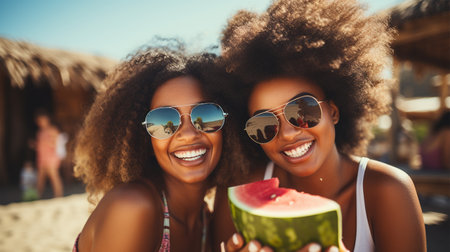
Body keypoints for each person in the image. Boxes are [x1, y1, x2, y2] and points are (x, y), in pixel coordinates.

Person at [212, 0, 427, 251]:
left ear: (333, 111)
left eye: (303, 110)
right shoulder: (238, 189)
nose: (289, 133)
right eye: (264, 124)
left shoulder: (388, 190)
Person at [72, 45, 248, 252]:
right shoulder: (132, 207)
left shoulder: (206, 221)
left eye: (206, 115)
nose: (189, 134)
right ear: (144, 137)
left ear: (228, 128)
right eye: (164, 120)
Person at [34, 109, 64, 198]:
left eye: (42, 120)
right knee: (40, 177)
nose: (41, 122)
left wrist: (44, 143)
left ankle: (58, 195)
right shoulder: (39, 132)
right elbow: (39, 146)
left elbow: (57, 143)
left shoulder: (53, 130)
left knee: (54, 176)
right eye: (39, 121)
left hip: (51, 157)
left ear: (47, 119)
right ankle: (37, 195)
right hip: (42, 157)